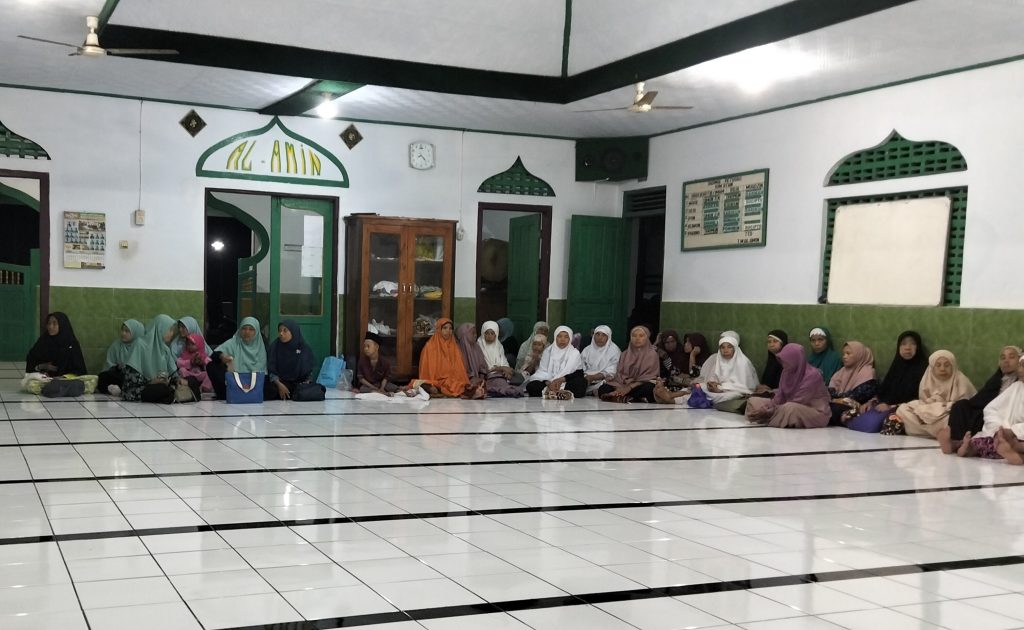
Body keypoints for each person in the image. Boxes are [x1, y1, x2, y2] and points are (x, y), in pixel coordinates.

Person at [938, 345, 1022, 453]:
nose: (1006, 361)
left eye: (1011, 357)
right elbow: (979, 400)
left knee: (982, 417)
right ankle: (955, 442)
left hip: (1004, 416)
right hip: (988, 413)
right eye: (1003, 358)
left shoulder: (1020, 383)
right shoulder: (995, 380)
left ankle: (962, 445)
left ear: (1020, 361)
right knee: (961, 406)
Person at [846, 331, 928, 433]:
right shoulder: (896, 366)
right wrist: (870, 402)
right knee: (848, 415)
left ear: (918, 347)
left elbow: (919, 399)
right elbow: (884, 391)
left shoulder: (924, 369)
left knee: (887, 423)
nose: (907, 347)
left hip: (906, 410)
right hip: (883, 406)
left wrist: (891, 406)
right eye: (903, 344)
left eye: (912, 344)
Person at [892, 350, 976, 438]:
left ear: (953, 366)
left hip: (946, 416)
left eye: (947, 365)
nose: (942, 369)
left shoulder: (961, 380)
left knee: (953, 419)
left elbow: (964, 408)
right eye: (938, 365)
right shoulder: (927, 379)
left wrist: (942, 405)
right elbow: (923, 402)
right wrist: (929, 407)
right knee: (902, 409)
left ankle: (921, 431)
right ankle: (938, 432)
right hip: (927, 414)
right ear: (932, 367)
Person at [745, 343, 831, 428]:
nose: (783, 364)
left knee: (789, 408)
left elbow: (799, 401)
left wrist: (770, 411)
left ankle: (770, 417)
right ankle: (772, 417)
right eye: (783, 361)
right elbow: (780, 396)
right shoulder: (786, 372)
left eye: (787, 361)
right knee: (754, 401)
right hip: (786, 405)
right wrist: (768, 407)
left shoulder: (813, 375)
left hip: (813, 411)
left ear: (796, 360)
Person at [120, 314, 179, 402]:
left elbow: (173, 374)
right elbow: (132, 379)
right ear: (160, 329)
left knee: (191, 383)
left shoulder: (165, 349)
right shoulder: (140, 344)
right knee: (162, 390)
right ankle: (172, 396)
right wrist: (152, 382)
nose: (172, 334)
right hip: (140, 389)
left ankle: (171, 396)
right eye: (169, 330)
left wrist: (179, 380)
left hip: (159, 386)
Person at [207, 316, 267, 400]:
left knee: (271, 388)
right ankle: (224, 395)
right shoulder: (234, 342)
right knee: (212, 366)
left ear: (256, 332)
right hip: (234, 381)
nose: (247, 332)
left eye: (251, 329)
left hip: (254, 382)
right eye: (244, 328)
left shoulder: (260, 347)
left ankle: (248, 394)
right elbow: (214, 355)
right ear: (240, 330)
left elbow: (263, 372)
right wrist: (222, 356)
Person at [597, 325, 659, 403]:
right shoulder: (625, 354)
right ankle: (625, 397)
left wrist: (629, 387)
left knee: (649, 388)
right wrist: (618, 388)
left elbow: (649, 377)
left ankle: (618, 396)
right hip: (622, 384)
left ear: (647, 338)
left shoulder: (652, 354)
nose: (637, 339)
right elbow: (620, 374)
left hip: (639, 385)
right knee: (603, 388)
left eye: (641, 336)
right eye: (634, 336)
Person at [418, 318, 478, 398]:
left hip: (452, 380)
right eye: (445, 328)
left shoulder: (454, 347)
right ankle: (469, 392)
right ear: (439, 329)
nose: (448, 331)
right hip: (437, 381)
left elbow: (460, 370)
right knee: (453, 385)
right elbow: (426, 371)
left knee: (460, 384)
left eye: (450, 328)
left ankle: (469, 391)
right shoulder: (429, 347)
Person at [459, 322, 521, 397]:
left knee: (516, 377)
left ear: (496, 334)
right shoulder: (479, 345)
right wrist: (500, 368)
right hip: (488, 375)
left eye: (492, 333)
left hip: (497, 374)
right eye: (487, 333)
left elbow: (503, 360)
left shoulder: (498, 346)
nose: (489, 336)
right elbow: (484, 368)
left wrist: (506, 370)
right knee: (497, 381)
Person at [526, 325, 586, 400]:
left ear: (570, 338)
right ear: (555, 337)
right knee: (531, 386)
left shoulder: (574, 353)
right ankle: (559, 393)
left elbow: (579, 373)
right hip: (548, 383)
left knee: (581, 382)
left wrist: (561, 379)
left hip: (565, 382)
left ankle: (553, 393)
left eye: (566, 337)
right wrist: (548, 383)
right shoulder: (548, 351)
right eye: (559, 336)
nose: (562, 339)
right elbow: (542, 371)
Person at [827, 341, 878, 425]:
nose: (844, 357)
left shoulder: (868, 372)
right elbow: (830, 391)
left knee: (832, 409)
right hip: (838, 403)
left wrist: (836, 398)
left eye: (848, 353)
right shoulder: (841, 371)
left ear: (859, 355)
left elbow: (857, 396)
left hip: (856, 406)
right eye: (843, 354)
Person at [25, 312, 87, 376]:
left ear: (62, 325)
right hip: (42, 379)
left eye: (54, 323)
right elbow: (31, 360)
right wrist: (42, 367)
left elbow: (79, 370)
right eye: (49, 323)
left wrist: (61, 377)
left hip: (65, 380)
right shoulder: (43, 341)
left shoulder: (72, 344)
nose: (50, 327)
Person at [266, 319, 315, 400]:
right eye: (280, 331)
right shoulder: (275, 346)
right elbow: (271, 370)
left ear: (293, 331)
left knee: (311, 390)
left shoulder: (303, 347)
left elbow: (308, 372)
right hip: (281, 382)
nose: (281, 333)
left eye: (285, 331)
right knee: (268, 389)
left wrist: (305, 384)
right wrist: (279, 385)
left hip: (298, 383)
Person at [98, 319, 144, 395]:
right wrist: (118, 367)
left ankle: (121, 389)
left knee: (136, 380)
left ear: (135, 332)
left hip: (135, 378)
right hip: (120, 376)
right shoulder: (116, 345)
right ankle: (115, 389)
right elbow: (109, 366)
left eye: (127, 331)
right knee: (102, 376)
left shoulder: (141, 347)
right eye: (122, 330)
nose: (123, 333)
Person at [581, 325, 620, 395]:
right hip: (586, 379)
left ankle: (593, 391)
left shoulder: (614, 351)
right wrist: (586, 377)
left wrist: (593, 377)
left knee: (605, 388)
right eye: (597, 334)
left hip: (604, 380)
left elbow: (612, 371)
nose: (600, 337)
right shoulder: (587, 350)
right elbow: (581, 367)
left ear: (608, 337)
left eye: (603, 335)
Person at [753, 330, 788, 394]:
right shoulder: (772, 360)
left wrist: (770, 390)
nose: (771, 345)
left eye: (775, 341)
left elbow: (787, 385)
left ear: (783, 343)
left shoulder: (787, 361)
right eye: (769, 342)